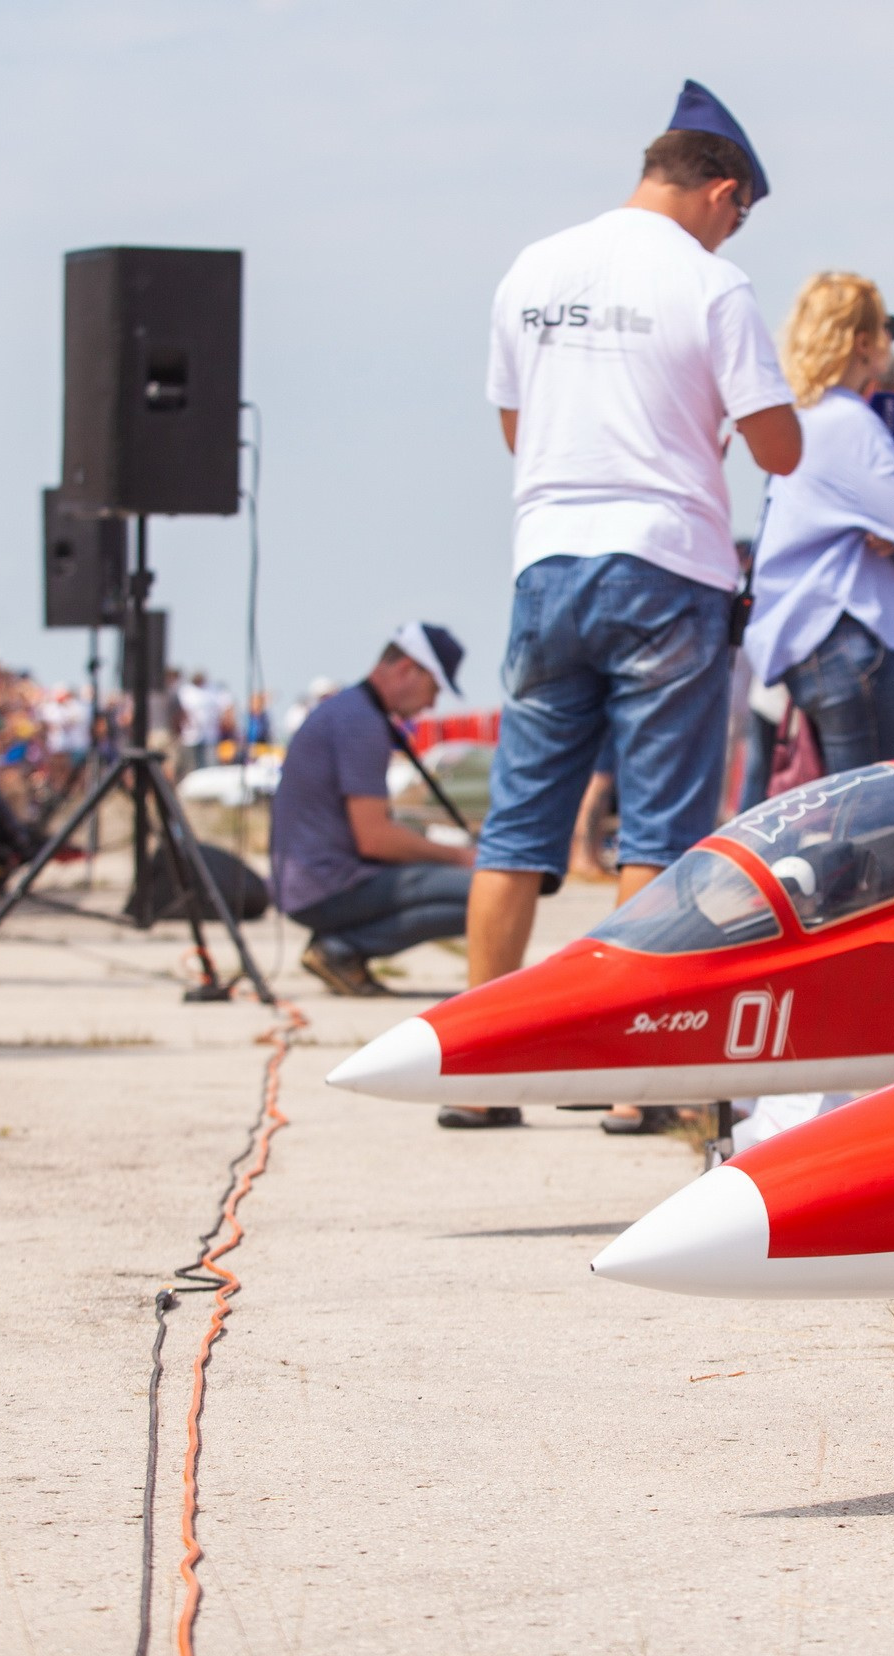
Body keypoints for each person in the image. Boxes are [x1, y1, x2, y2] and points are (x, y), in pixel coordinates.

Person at [474, 78, 801, 1133]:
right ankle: (628, 1079)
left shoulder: (533, 265)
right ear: (721, 188)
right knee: (655, 828)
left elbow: (515, 424)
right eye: (738, 208)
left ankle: (479, 1075)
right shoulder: (714, 284)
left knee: (516, 826)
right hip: (664, 563)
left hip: (547, 559)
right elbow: (778, 444)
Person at [744, 272, 894, 774]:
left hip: (806, 643)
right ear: (863, 343)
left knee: (848, 824)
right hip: (850, 637)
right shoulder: (849, 422)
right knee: (888, 825)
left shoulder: (799, 417)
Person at [272, 624, 475, 1006]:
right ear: (407, 670)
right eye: (434, 689)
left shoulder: (348, 710)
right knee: (487, 891)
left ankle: (342, 946)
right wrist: (462, 856)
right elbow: (375, 838)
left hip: (306, 883)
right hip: (326, 886)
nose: (431, 705)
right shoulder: (361, 722)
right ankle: (342, 947)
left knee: (466, 884)